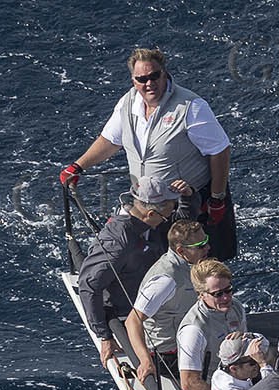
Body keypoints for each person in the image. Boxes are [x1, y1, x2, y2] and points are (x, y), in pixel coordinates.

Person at [59, 48, 234, 257]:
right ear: (133, 81)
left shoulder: (191, 107)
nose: (149, 83)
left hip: (188, 204)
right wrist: (78, 166)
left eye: (154, 76)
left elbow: (220, 150)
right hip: (148, 205)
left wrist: (217, 199)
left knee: (198, 262)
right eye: (142, 79)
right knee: (152, 259)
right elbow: (110, 141)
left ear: (164, 73)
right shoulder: (127, 104)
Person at [75, 177, 175, 366]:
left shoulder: (143, 225)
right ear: (151, 214)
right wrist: (104, 336)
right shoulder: (119, 243)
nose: (167, 220)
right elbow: (89, 285)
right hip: (128, 315)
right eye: (166, 217)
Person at [125, 219, 211, 382]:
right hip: (171, 357)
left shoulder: (187, 263)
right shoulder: (165, 280)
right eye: (200, 245)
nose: (207, 248)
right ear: (181, 251)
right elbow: (133, 321)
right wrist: (145, 361)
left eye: (207, 241)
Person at [175, 259, 245, 390]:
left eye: (228, 290)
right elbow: (189, 383)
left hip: (239, 382)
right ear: (201, 294)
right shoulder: (193, 330)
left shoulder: (236, 307)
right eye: (218, 294)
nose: (226, 298)